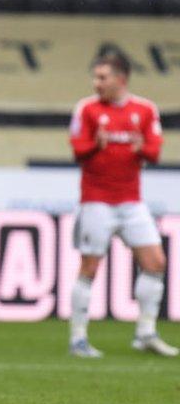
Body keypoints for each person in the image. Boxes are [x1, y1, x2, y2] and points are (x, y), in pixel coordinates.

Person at [68, 52, 176, 358]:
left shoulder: (145, 110)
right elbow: (77, 150)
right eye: (95, 77)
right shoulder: (86, 109)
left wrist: (143, 148)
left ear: (121, 79)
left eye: (102, 77)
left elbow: (155, 152)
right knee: (90, 266)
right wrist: (95, 145)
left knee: (156, 262)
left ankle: (145, 332)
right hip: (96, 201)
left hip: (131, 202)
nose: (96, 83)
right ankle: (78, 338)